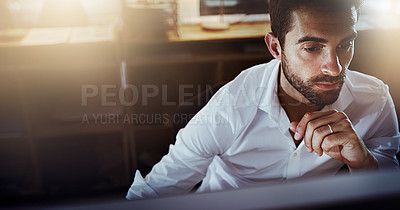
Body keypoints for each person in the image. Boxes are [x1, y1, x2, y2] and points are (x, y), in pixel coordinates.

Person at [126, 0, 400, 200]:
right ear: (275, 48)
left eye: (345, 45)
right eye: (312, 48)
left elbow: (389, 178)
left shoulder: (373, 98)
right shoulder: (229, 108)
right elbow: (151, 194)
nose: (335, 67)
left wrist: (363, 161)